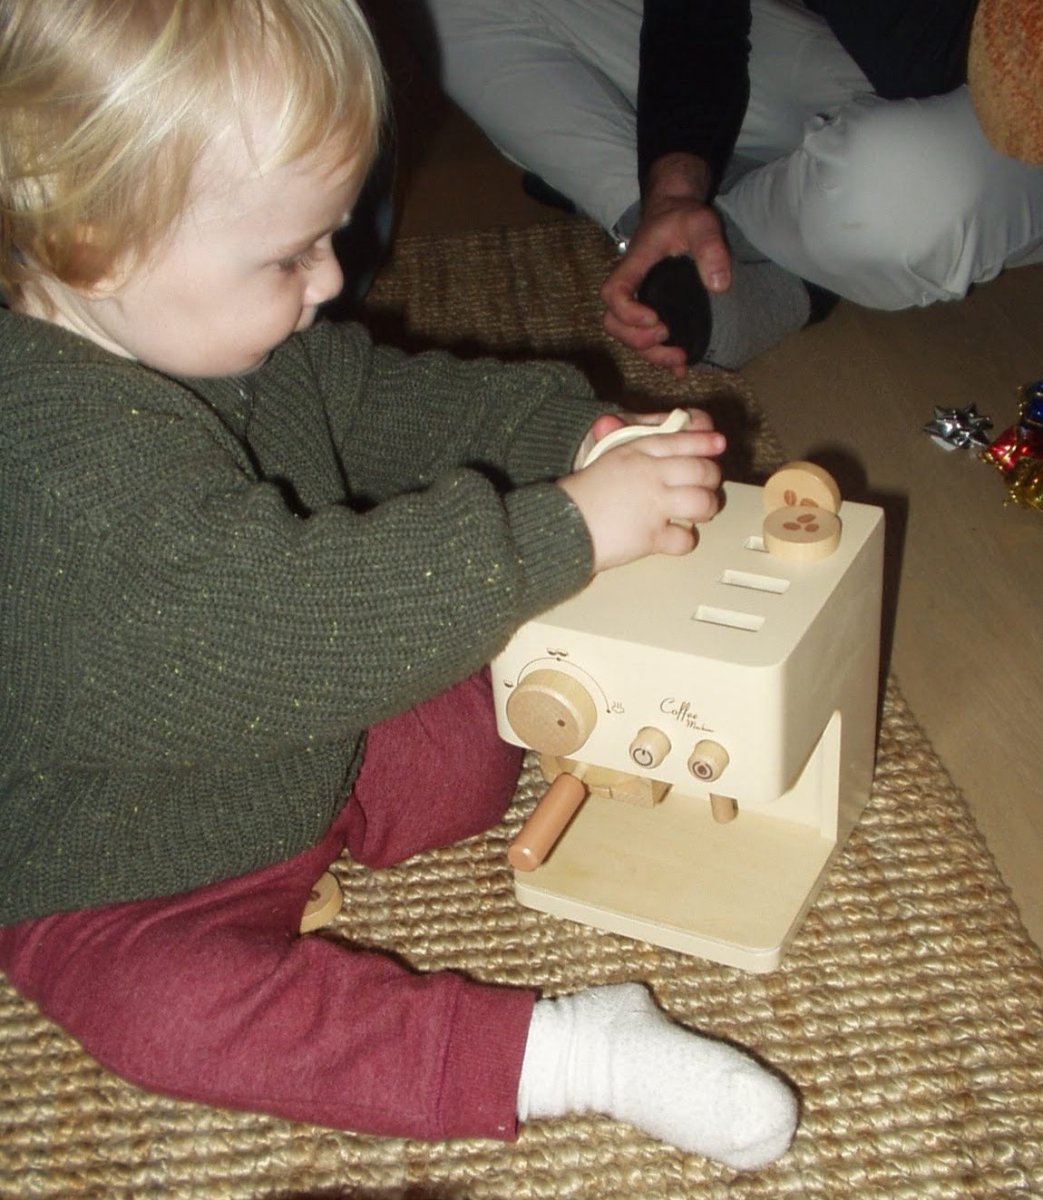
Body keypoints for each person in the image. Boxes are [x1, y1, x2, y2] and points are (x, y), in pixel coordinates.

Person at [0, 0, 799, 1171]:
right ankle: (572, 1052)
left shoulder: (208, 331)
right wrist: (562, 536)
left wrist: (575, 443)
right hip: (114, 857)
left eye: (329, 233)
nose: (329, 278)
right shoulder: (52, 472)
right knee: (172, 1017)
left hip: (301, 749)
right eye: (286, 254)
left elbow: (389, 403)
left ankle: (383, 795)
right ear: (95, 244)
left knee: (479, 741)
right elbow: (275, 629)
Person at [419, 0, 1043, 375]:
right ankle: (678, 233)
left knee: (892, 191)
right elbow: (699, 21)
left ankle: (765, 256)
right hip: (835, 53)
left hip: (1007, 117)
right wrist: (672, 193)